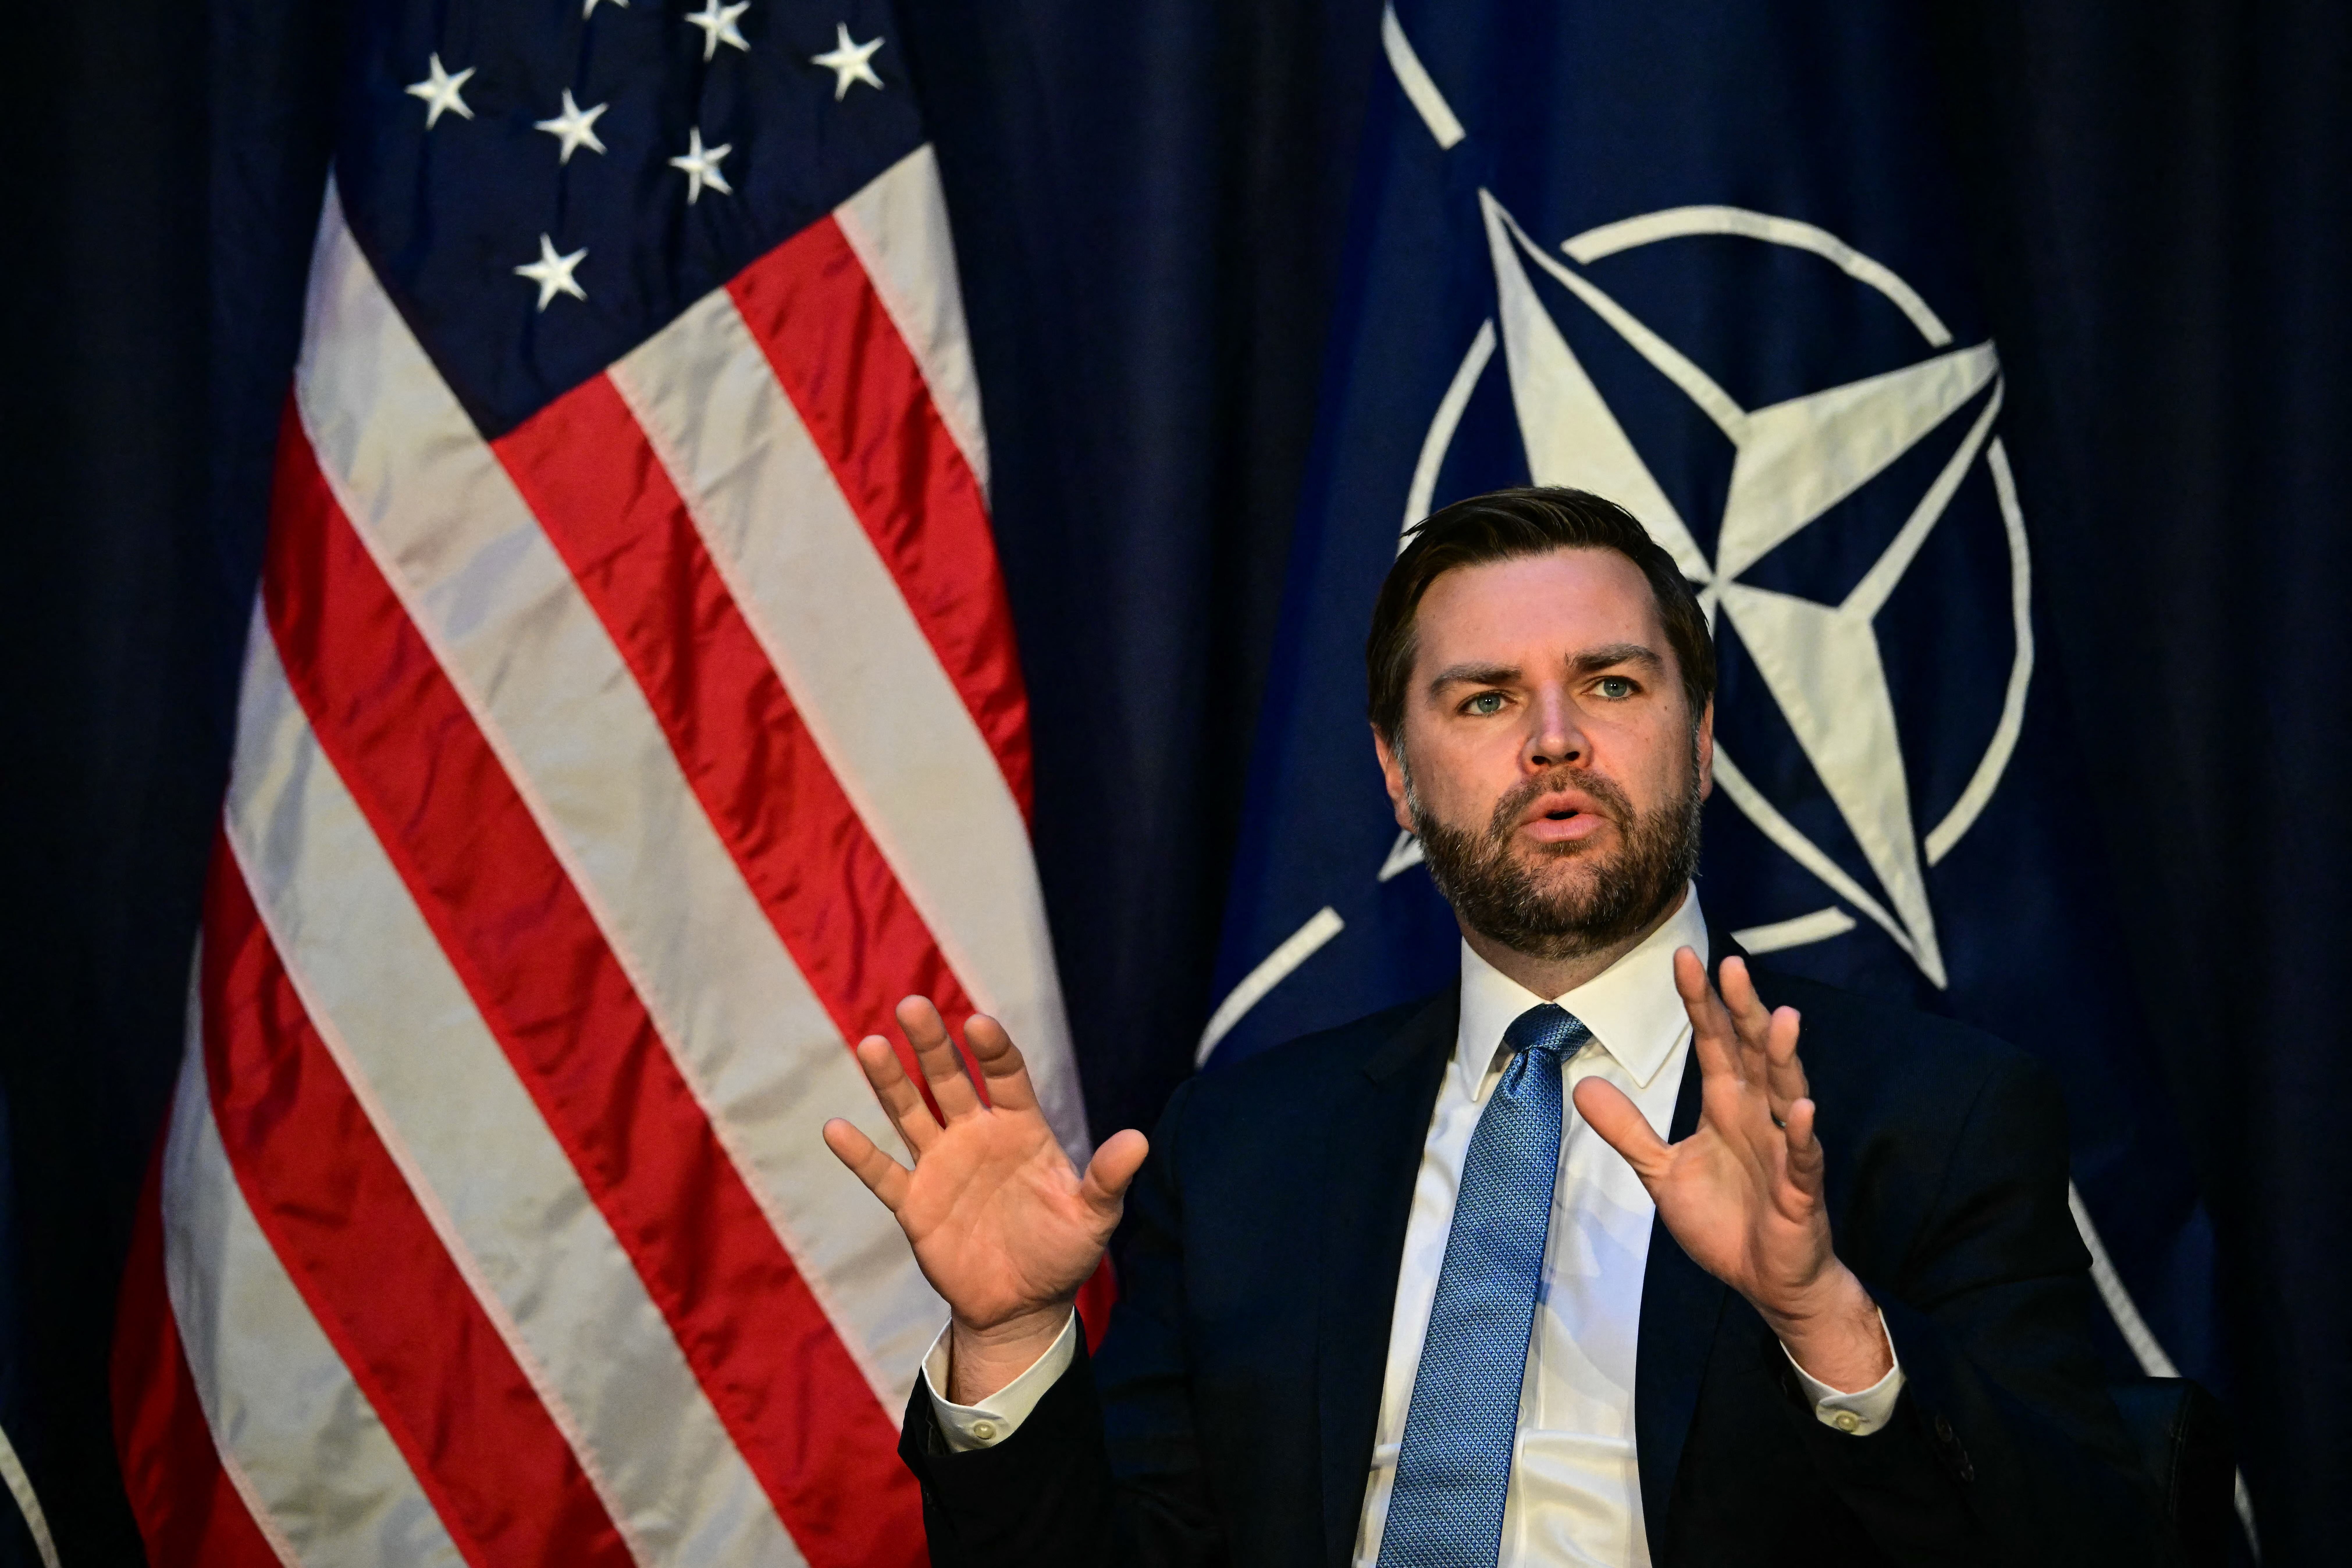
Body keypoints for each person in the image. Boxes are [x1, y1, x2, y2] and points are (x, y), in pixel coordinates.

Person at [822, 487, 2175, 1567]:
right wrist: (1006, 1345)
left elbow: (2097, 1541)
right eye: (1482, 699)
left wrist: (1823, 1315)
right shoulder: (1243, 1149)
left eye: (1612, 683)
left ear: (1699, 743)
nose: (1552, 740)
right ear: (1398, 778)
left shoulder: (1929, 1117)